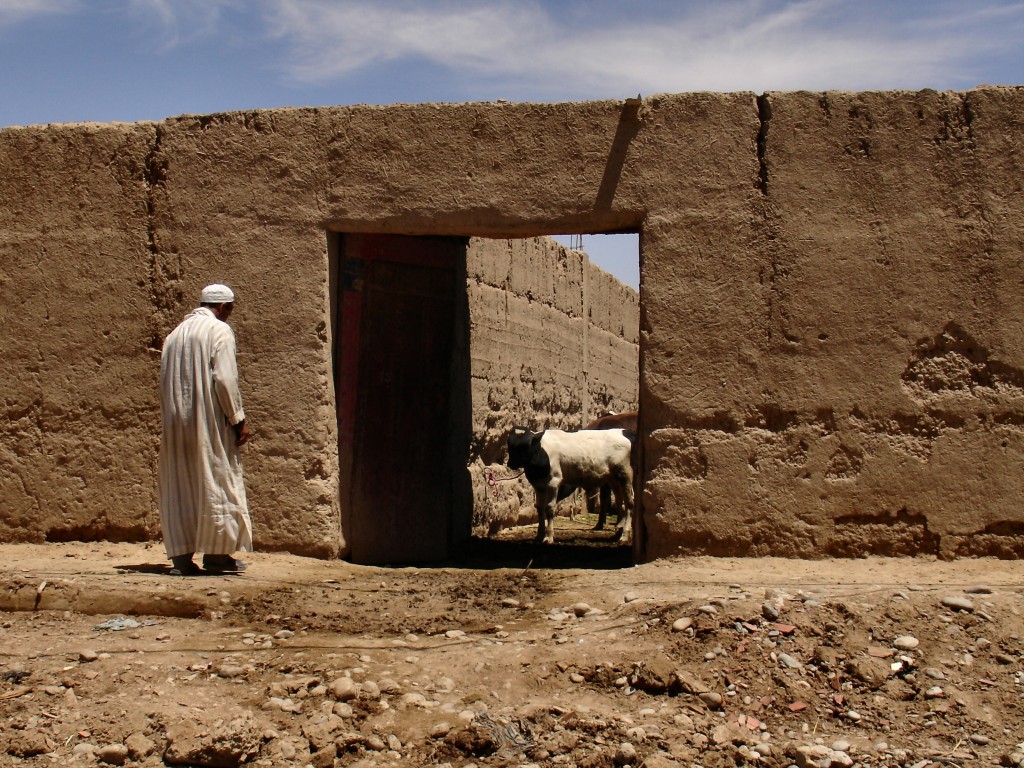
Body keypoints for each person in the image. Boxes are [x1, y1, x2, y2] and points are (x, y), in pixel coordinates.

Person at [158, 283, 252, 575]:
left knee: (181, 486)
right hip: (209, 423)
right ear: (222, 307)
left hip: (176, 425)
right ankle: (216, 555)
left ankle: (182, 561)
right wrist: (238, 420)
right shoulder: (218, 331)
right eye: (231, 309)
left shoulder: (174, 335)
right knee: (217, 482)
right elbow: (224, 379)